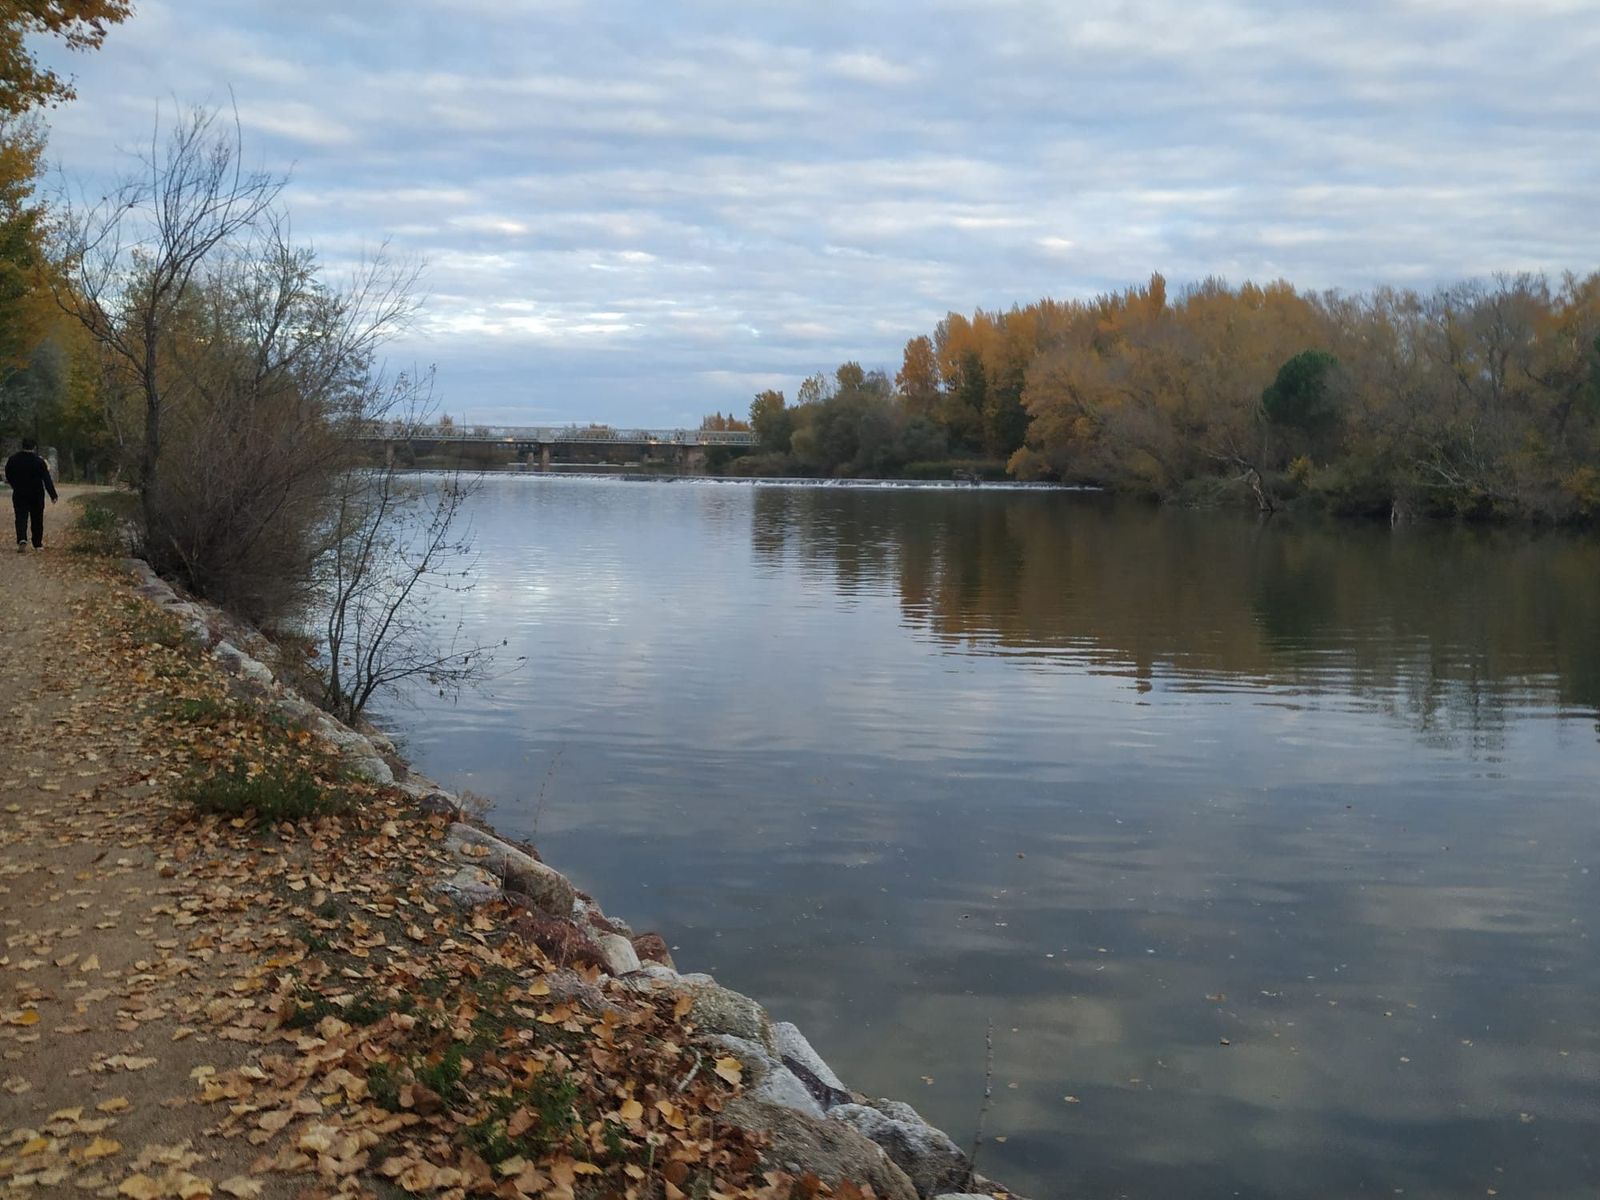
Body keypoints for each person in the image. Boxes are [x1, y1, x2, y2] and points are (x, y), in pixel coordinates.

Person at [5, 438, 58, 552]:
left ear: (22, 446)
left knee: (20, 516)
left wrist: (14, 485)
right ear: (34, 447)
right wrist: (53, 495)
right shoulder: (39, 461)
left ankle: (22, 538)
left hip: (20, 492)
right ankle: (37, 543)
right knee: (37, 518)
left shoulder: (13, 459)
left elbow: (8, 474)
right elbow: (46, 479)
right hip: (36, 493)